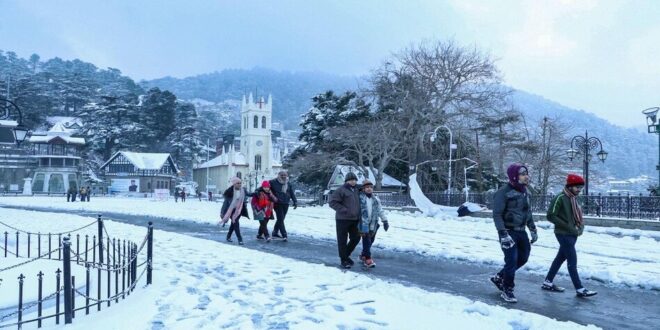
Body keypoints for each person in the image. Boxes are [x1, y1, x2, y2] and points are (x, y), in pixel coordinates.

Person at [542, 174, 597, 298]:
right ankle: (579, 288)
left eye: (580, 188)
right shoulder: (560, 198)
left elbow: (578, 216)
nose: (579, 190)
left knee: (560, 258)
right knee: (572, 261)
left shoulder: (573, 199)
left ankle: (547, 282)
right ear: (570, 186)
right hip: (563, 234)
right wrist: (569, 227)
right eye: (577, 187)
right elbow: (551, 215)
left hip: (572, 234)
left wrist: (580, 228)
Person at [490, 163, 538, 303]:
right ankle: (507, 289)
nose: (526, 176)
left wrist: (533, 229)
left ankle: (499, 277)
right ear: (514, 176)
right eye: (522, 174)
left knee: (523, 258)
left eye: (526, 173)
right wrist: (503, 234)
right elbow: (497, 215)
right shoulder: (503, 192)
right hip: (507, 231)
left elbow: (527, 212)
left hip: (521, 231)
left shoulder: (525, 191)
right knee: (511, 260)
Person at [329, 171, 361, 269]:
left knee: (356, 238)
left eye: (354, 180)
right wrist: (344, 210)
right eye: (351, 180)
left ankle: (345, 255)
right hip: (342, 219)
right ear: (346, 181)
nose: (353, 182)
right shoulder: (341, 190)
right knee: (342, 240)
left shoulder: (357, 190)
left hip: (355, 219)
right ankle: (344, 260)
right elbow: (332, 202)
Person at [358, 179, 389, 268]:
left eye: (371, 187)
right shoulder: (360, 198)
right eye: (367, 187)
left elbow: (380, 210)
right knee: (366, 240)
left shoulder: (376, 199)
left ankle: (363, 255)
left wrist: (385, 221)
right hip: (363, 223)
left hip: (373, 223)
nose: (369, 189)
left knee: (371, 240)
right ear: (363, 189)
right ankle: (368, 259)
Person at [219, 177, 251, 245]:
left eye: (240, 183)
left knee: (233, 224)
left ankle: (228, 236)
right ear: (234, 184)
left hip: (239, 210)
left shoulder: (243, 190)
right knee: (236, 223)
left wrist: (258, 192)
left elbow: (249, 194)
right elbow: (225, 203)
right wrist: (222, 212)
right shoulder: (229, 192)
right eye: (237, 183)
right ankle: (240, 239)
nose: (239, 184)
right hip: (231, 210)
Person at [269, 170, 298, 241]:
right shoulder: (272, 182)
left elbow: (291, 193)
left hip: (286, 203)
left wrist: (295, 201)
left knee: (281, 218)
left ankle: (275, 232)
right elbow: (265, 188)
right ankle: (284, 234)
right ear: (278, 175)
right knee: (281, 219)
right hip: (277, 203)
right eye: (282, 175)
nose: (283, 176)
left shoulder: (288, 183)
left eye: (285, 175)